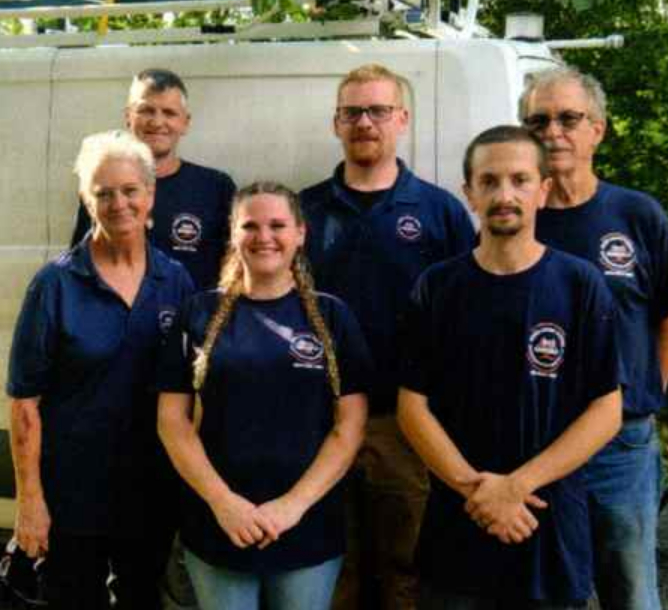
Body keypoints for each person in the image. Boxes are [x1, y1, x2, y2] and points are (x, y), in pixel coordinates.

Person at [397, 125, 624, 609]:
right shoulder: (437, 288)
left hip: (546, 523)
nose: (505, 194)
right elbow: (412, 407)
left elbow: (607, 409)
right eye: (490, 181)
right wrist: (477, 494)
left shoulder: (580, 285)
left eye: (520, 180)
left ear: (542, 190)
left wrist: (516, 488)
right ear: (469, 194)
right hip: (458, 526)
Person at [299, 63, 476, 610]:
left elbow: (465, 317)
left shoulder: (440, 210)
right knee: (333, 570)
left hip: (404, 423)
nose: (365, 123)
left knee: (405, 570)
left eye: (378, 111)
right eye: (353, 112)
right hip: (319, 419)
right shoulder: (302, 210)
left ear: (401, 119)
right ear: (336, 123)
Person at [520, 67, 668, 610]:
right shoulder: (514, 219)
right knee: (547, 593)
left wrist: (641, 396)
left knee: (631, 592)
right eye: (539, 120)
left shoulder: (637, 215)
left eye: (569, 118)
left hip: (621, 447)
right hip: (537, 444)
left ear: (598, 128)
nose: (553, 131)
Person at [156, 182, 372, 610]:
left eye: (277, 225)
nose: (264, 237)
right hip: (218, 523)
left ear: (301, 233)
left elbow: (349, 428)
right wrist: (224, 503)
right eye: (249, 225)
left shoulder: (333, 317)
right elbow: (172, 421)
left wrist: (292, 507)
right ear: (233, 234)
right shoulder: (197, 312)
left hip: (307, 526)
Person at [8, 130, 195, 609]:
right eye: (103, 192)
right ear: (85, 199)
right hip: (73, 493)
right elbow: (24, 404)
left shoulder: (175, 280)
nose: (119, 203)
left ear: (150, 194)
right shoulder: (54, 285)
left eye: (130, 190)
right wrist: (30, 502)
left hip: (152, 490)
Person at [71, 68, 236, 290]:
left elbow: (236, 267)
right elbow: (81, 267)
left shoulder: (216, 188)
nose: (157, 122)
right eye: (146, 110)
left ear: (185, 122)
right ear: (128, 117)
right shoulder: (104, 188)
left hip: (192, 321)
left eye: (169, 113)